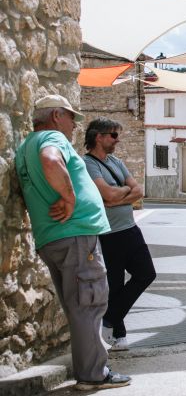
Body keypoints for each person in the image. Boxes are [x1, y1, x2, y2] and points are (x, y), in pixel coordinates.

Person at [14, 95, 131, 390]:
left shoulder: (23, 147)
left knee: (78, 306)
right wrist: (69, 197)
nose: (75, 127)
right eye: (71, 118)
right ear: (56, 115)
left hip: (51, 237)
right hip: (74, 235)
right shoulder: (51, 138)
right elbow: (51, 160)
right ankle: (93, 375)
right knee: (89, 304)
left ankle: (91, 370)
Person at [83, 117, 155, 351]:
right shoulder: (88, 164)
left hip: (130, 229)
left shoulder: (115, 161)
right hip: (109, 234)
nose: (117, 139)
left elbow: (138, 191)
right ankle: (118, 335)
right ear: (98, 137)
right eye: (113, 135)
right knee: (114, 285)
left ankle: (110, 319)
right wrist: (121, 195)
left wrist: (117, 197)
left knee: (146, 274)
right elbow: (110, 195)